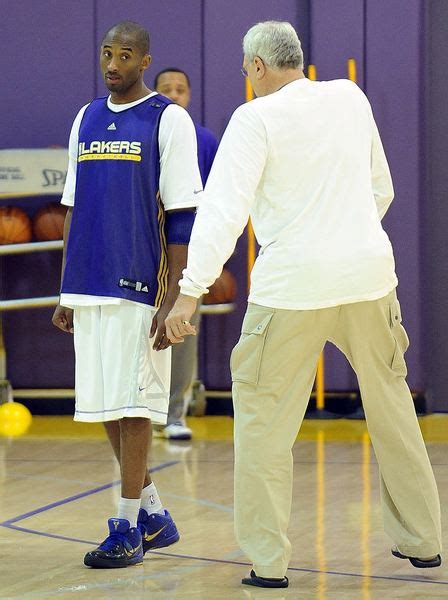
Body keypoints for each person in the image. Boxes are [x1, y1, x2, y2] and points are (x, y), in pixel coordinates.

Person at [165, 20, 442, 589]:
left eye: (247, 71)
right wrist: (347, 237)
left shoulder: (254, 118)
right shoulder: (349, 96)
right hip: (369, 277)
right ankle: (424, 542)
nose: (248, 80)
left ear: (259, 68)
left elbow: (223, 211)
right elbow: (380, 187)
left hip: (290, 289)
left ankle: (269, 565)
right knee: (393, 411)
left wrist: (188, 294)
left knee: (265, 427)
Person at [52, 21, 202, 568]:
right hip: (87, 282)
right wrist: (67, 289)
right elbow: (72, 205)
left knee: (134, 405)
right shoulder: (85, 118)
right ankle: (154, 516)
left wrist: (175, 296)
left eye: (126, 55)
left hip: (141, 285)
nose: (113, 63)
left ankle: (126, 525)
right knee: (109, 405)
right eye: (107, 53)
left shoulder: (169, 120)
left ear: (145, 60)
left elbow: (184, 212)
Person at [154, 68, 218, 440]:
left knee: (182, 329)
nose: (174, 95)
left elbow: (215, 200)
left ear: (189, 97)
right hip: (147, 248)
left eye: (180, 90)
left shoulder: (204, 140)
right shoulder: (144, 134)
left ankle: (175, 413)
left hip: (189, 250)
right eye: (166, 90)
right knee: (141, 330)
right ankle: (139, 413)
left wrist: (211, 257)